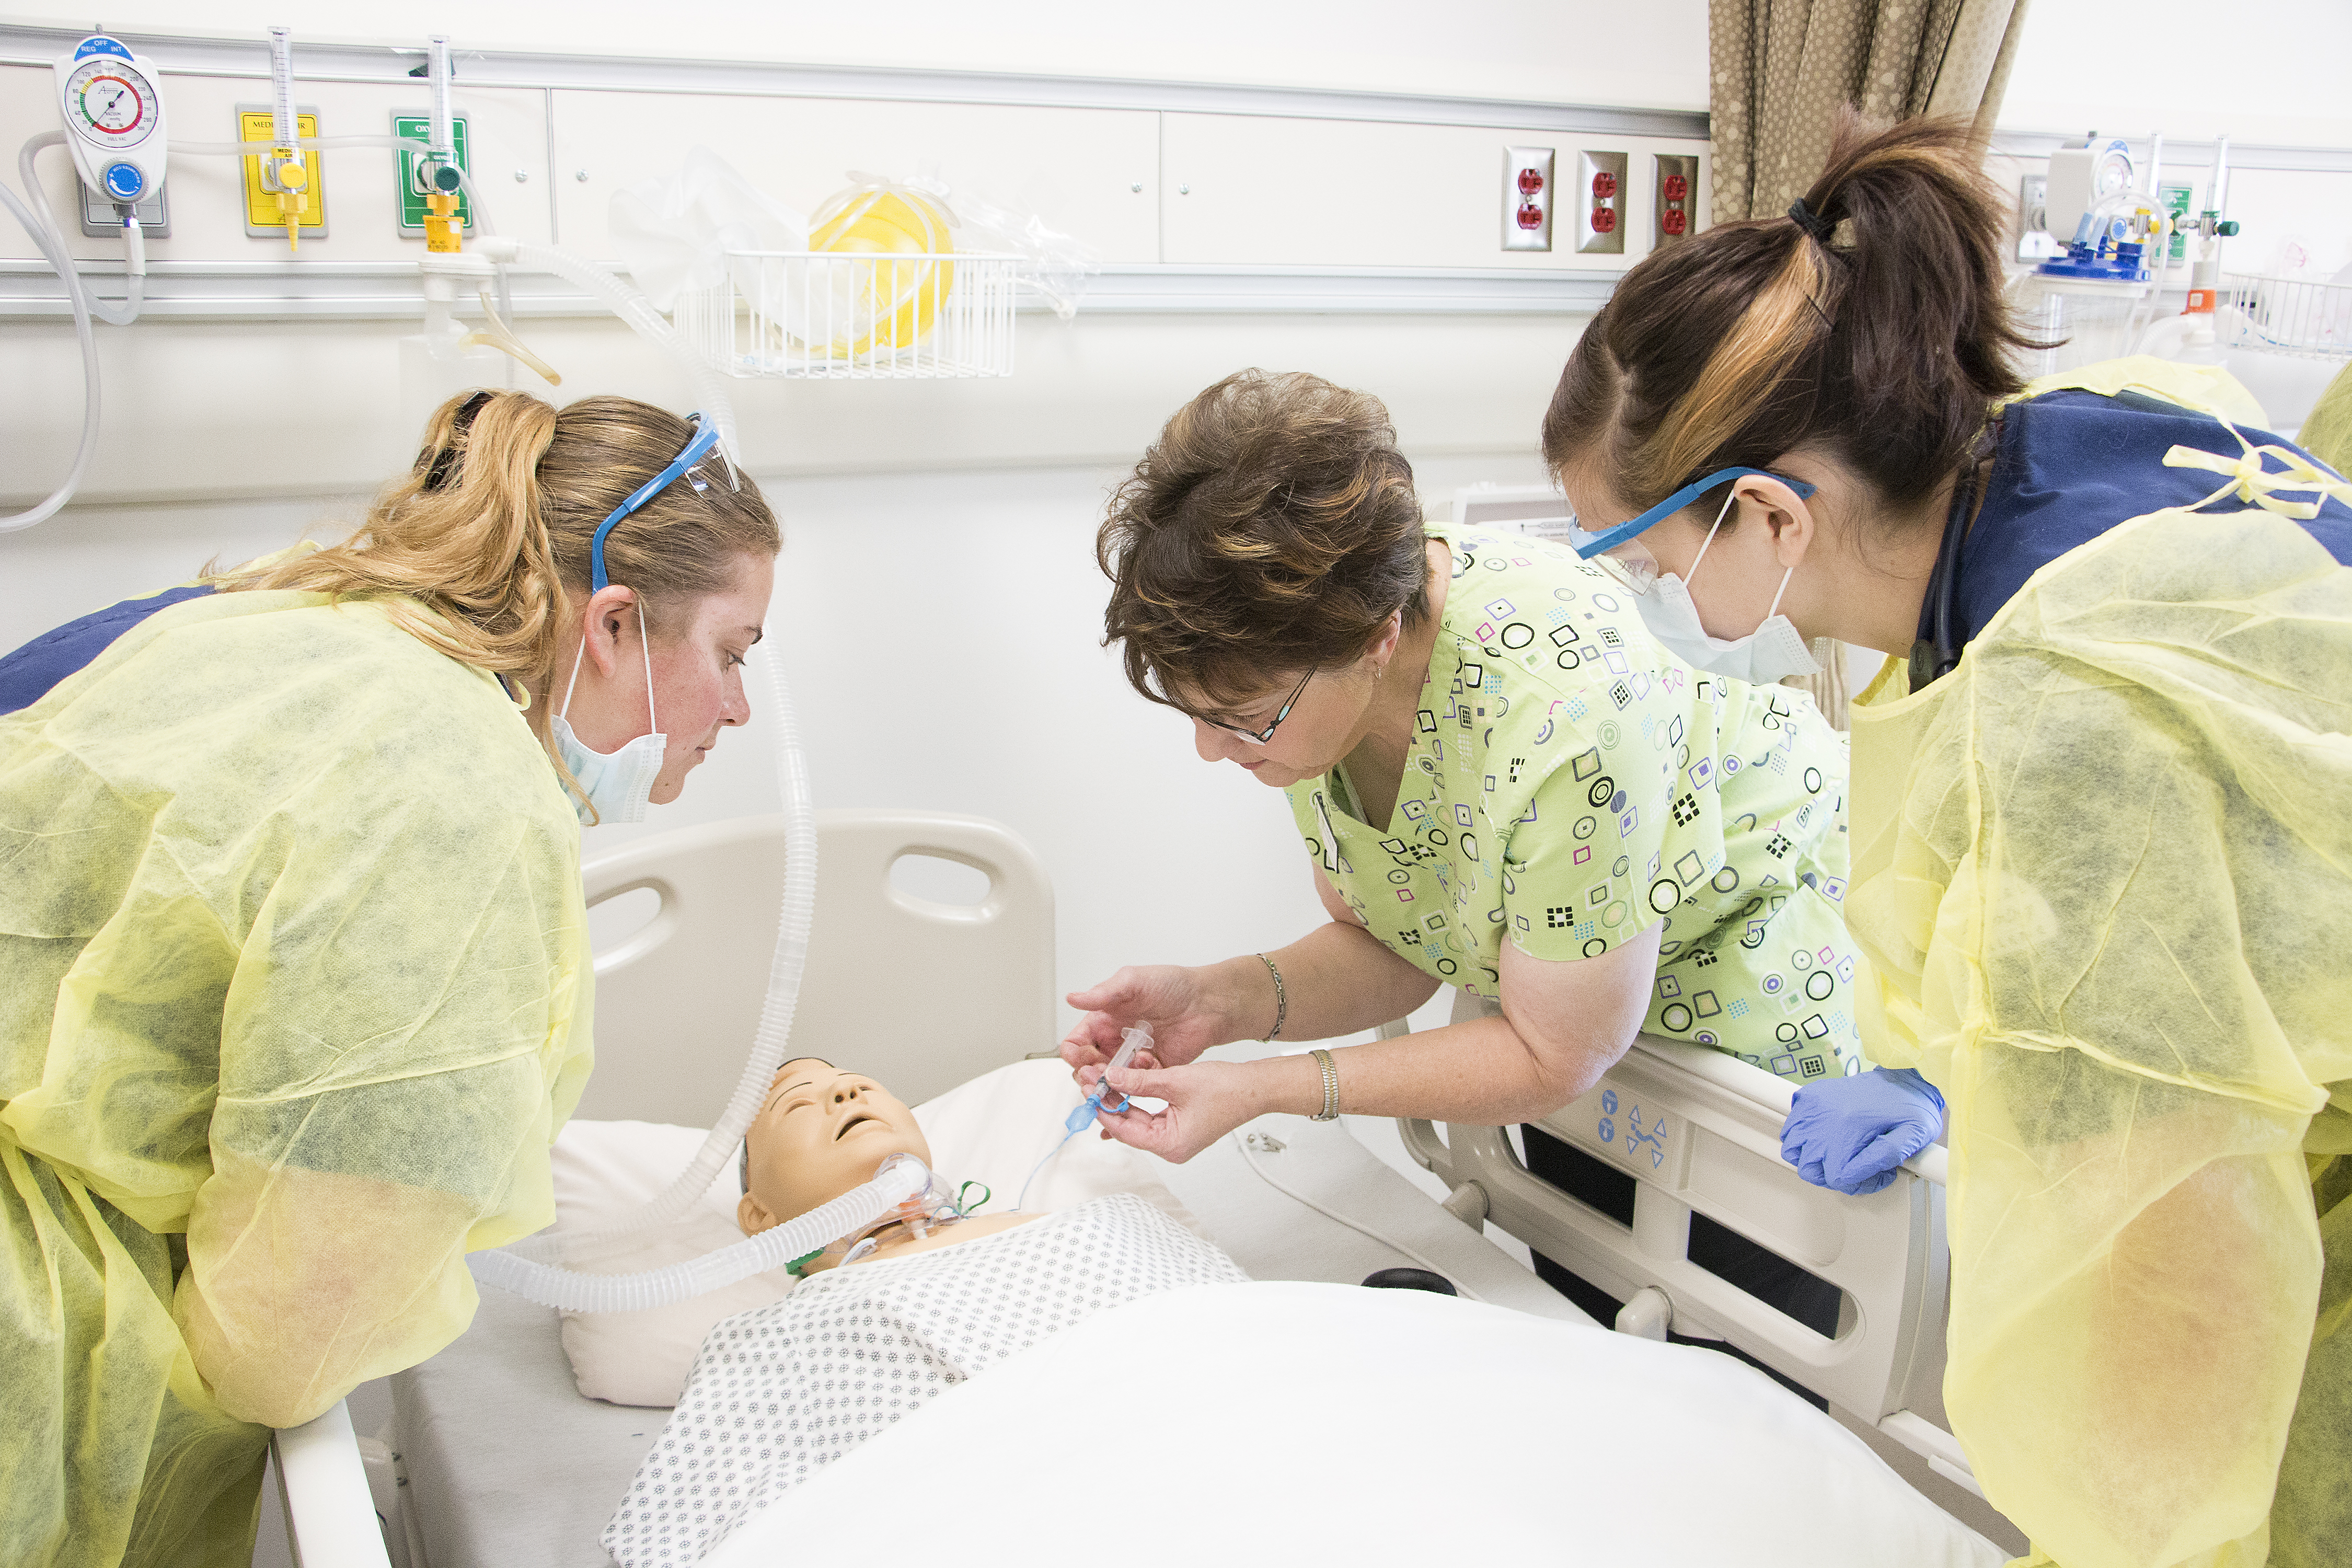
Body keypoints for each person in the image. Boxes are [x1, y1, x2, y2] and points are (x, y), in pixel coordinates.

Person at [1545, 110, 2349, 1568]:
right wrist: (1954, 1066)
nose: (1661, 611)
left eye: (1656, 569)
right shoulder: (2066, 444)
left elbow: (2175, 1262)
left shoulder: (2078, 709)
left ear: (1766, 515)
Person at [0, 390, 779, 1568]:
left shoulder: (277, 626)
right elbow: (289, 1342)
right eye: (730, 653)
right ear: (616, 625)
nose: (737, 709)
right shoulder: (450, 804)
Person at [1060, 369, 1864, 1169]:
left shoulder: (1568, 719)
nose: (1213, 749)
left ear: (1375, 639)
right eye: (1199, 715)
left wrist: (1264, 1089)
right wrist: (1212, 1002)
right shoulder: (1311, 676)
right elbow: (1397, 945)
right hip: (1589, 1034)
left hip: (1763, 992)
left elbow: (1554, 1055)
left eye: (1242, 720)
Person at [605, 1058, 1244, 1566]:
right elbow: (703, 1529)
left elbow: (1237, 1332)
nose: (848, 1092)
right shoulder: (769, 1344)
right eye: (798, 1105)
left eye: (862, 1085)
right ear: (761, 1218)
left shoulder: (1095, 1222)